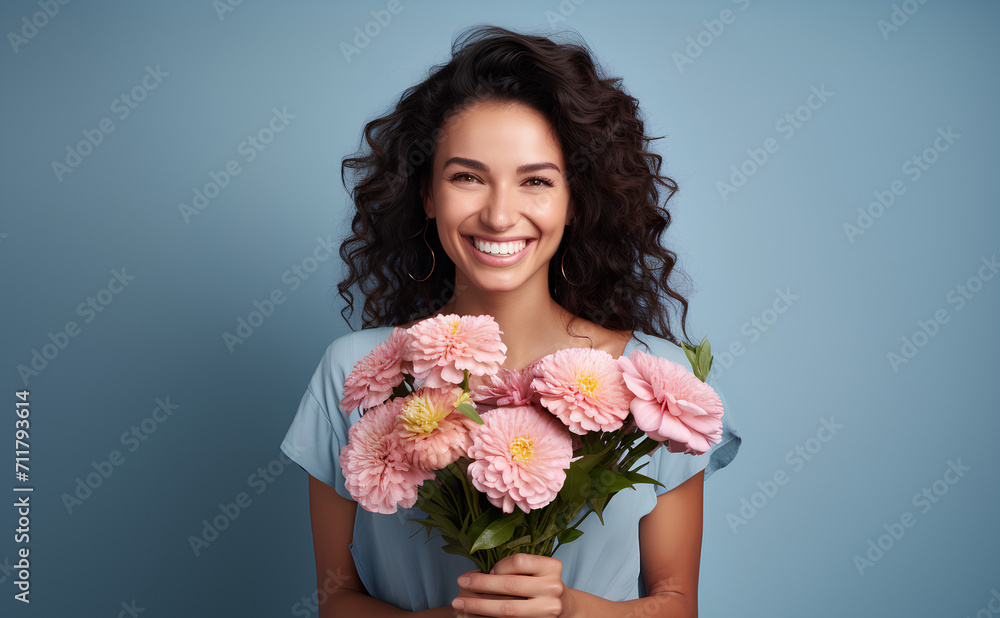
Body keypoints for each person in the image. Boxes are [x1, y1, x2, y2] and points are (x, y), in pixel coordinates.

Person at [280, 25, 740, 618]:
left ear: (576, 199)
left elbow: (677, 605)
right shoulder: (355, 372)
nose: (499, 215)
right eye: (467, 177)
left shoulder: (658, 385)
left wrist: (570, 608)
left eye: (537, 181)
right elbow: (335, 600)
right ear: (427, 194)